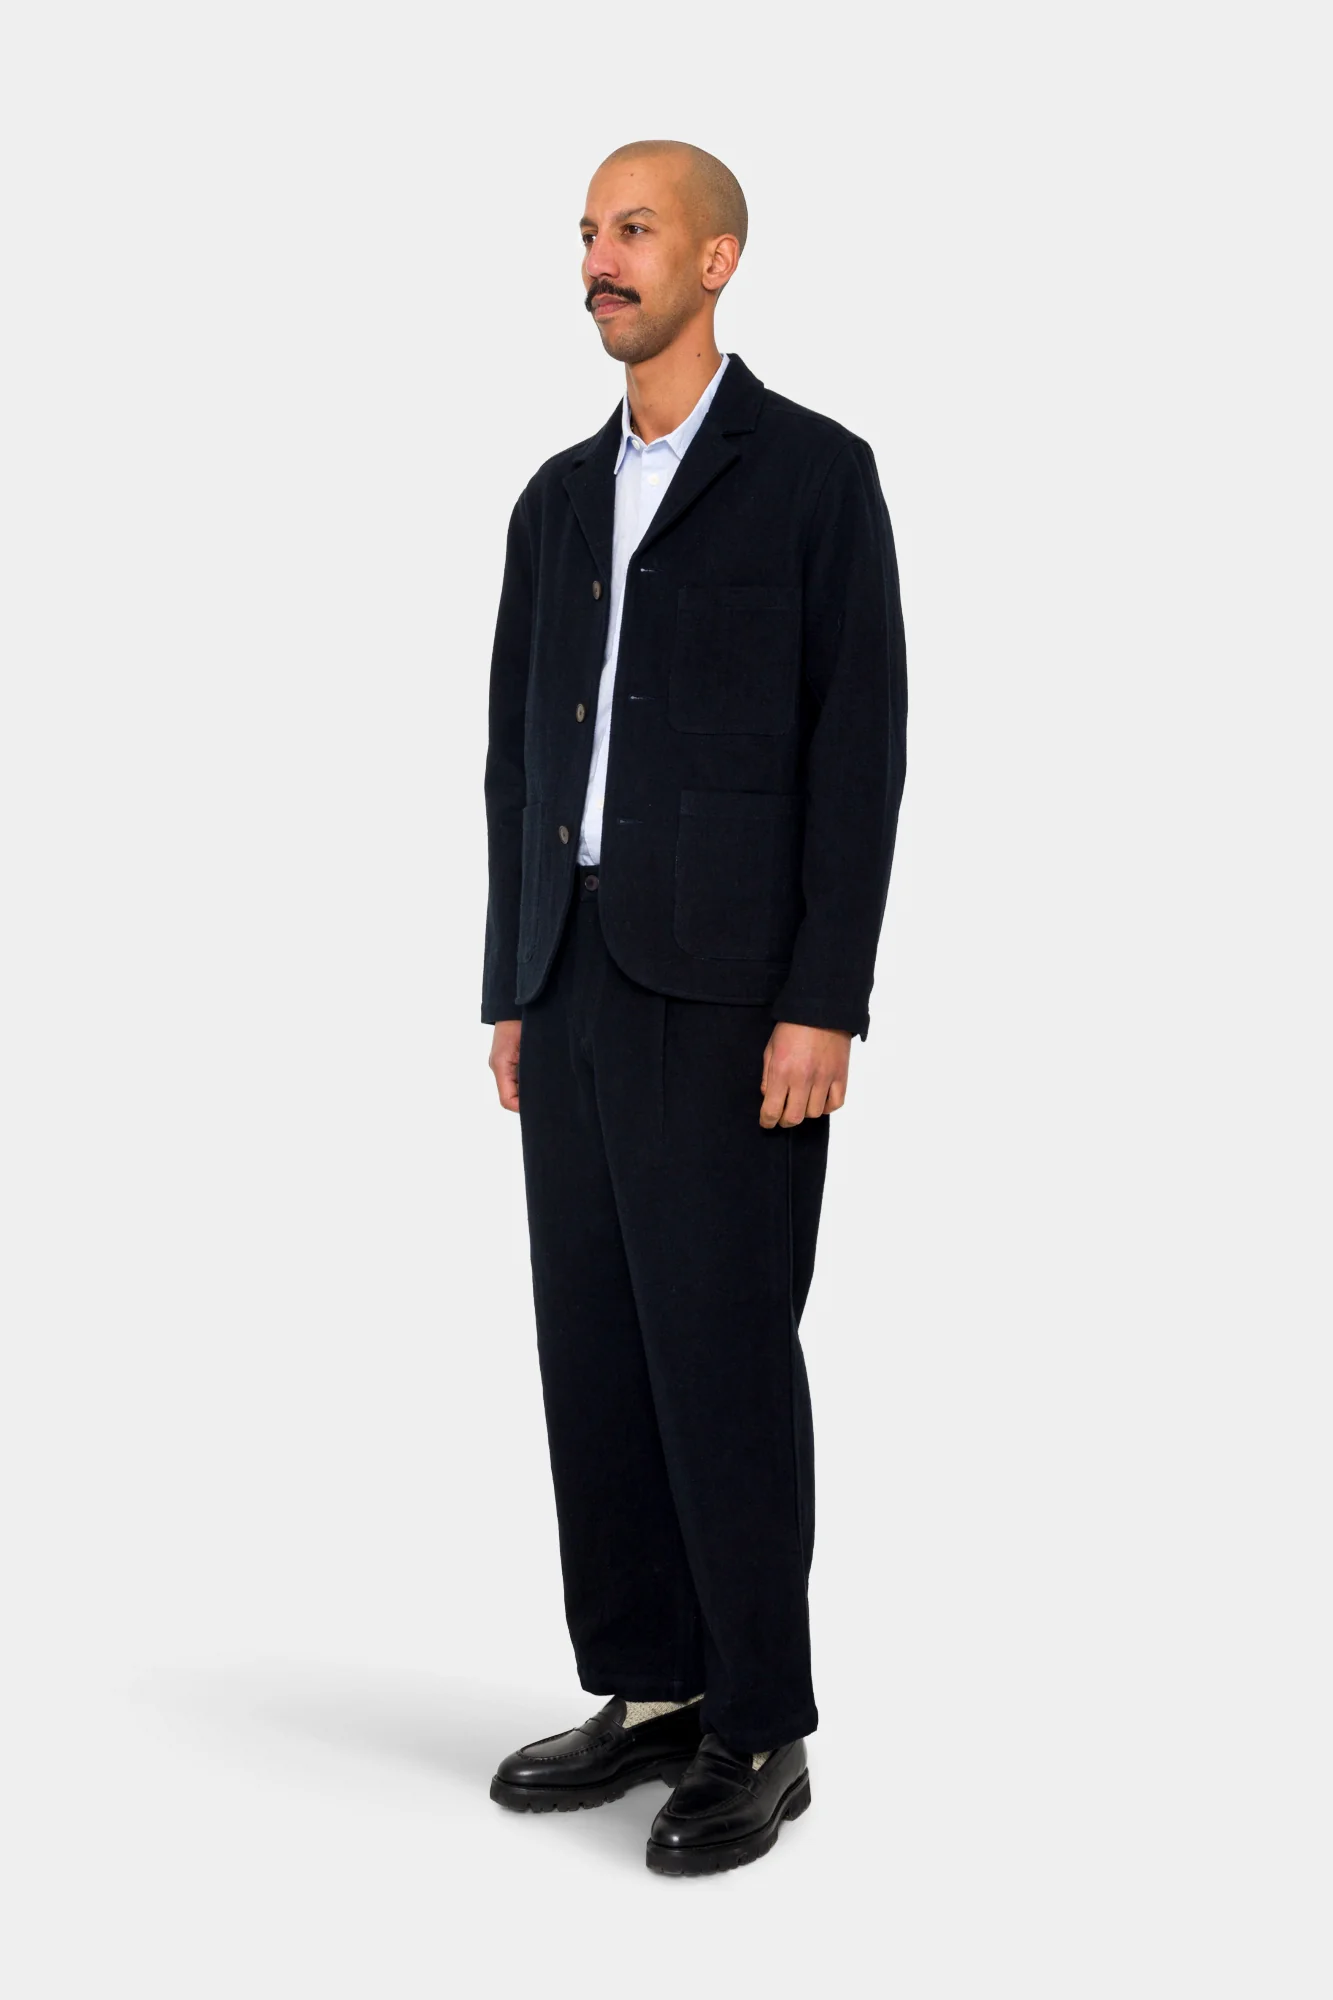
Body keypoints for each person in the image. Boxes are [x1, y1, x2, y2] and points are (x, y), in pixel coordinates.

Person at [479, 138, 907, 1876]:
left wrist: (826, 999)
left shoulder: (813, 478)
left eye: (635, 229)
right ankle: (653, 1687)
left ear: (717, 259)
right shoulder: (555, 501)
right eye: (590, 231)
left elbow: (858, 751)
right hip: (572, 977)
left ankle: (758, 1723)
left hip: (735, 1000)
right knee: (593, 1347)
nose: (601, 256)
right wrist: (512, 979)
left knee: (722, 1352)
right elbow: (514, 756)